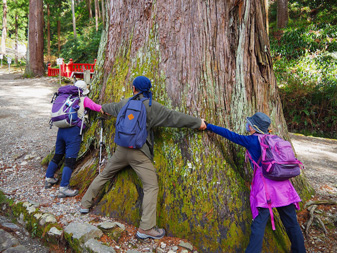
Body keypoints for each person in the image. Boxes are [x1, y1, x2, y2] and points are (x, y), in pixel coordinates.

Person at [80, 76, 206, 240]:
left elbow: (107, 108)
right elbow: (175, 118)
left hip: (121, 150)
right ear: (149, 89)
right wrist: (198, 123)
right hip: (139, 153)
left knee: (105, 175)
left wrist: (101, 108)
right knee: (151, 187)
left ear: (133, 88)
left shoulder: (125, 103)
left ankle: (84, 204)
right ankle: (146, 228)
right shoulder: (153, 107)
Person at [205, 112, 305, 253]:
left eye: (250, 124)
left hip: (266, 189)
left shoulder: (252, 141)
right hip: (284, 187)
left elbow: (229, 135)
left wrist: (209, 126)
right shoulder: (275, 138)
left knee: (258, 224)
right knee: (292, 224)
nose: (248, 126)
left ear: (253, 127)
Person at [45, 80, 103, 198]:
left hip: (61, 129)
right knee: (70, 160)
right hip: (73, 131)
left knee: (58, 154)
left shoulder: (65, 98)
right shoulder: (84, 99)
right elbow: (97, 107)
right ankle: (64, 188)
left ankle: (49, 178)